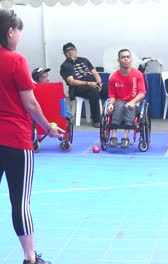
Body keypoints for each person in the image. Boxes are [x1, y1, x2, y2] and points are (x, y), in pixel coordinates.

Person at [0, 9, 64, 264]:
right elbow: (31, 104)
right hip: (15, 139)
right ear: (10, 32)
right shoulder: (16, 61)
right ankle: (30, 258)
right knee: (20, 202)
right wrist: (48, 127)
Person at [60, 42, 106, 128]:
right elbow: (71, 82)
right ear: (64, 54)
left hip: (94, 84)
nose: (70, 52)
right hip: (78, 88)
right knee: (93, 91)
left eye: (72, 50)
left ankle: (114, 118)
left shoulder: (84, 60)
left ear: (76, 51)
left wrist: (99, 83)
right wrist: (88, 83)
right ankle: (97, 120)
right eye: (67, 51)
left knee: (110, 89)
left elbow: (95, 73)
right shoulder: (65, 66)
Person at [107, 49, 146, 149]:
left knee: (129, 107)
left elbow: (142, 93)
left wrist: (132, 102)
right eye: (123, 57)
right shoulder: (113, 77)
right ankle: (114, 136)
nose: (126, 59)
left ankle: (125, 137)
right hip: (119, 101)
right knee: (119, 105)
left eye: (128, 57)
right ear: (118, 60)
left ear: (131, 59)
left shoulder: (138, 74)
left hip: (134, 101)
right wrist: (111, 104)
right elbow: (112, 95)